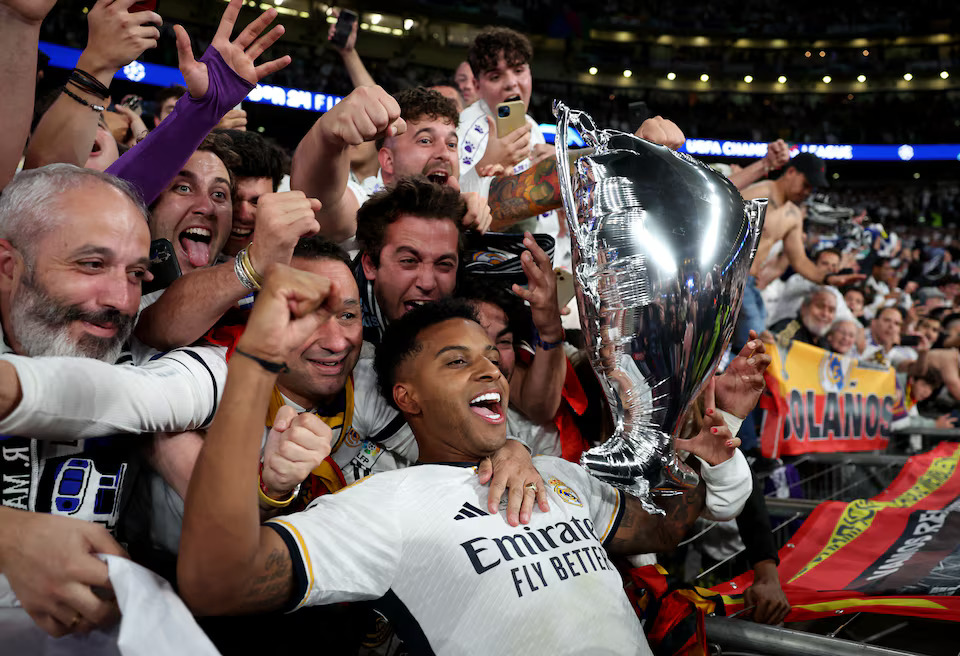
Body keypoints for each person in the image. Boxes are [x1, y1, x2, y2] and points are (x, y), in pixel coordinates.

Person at [178, 281, 750, 654]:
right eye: (457, 362)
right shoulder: (385, 505)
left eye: (490, 358)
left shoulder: (557, 475)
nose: (491, 373)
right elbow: (219, 584)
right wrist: (254, 366)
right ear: (407, 397)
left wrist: (697, 456)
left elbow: (666, 527)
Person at [0, 165, 226, 638]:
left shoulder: (145, 355)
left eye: (136, 273)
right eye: (91, 265)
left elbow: (205, 384)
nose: (122, 300)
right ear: (7, 266)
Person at [735, 152, 862, 351]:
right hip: (731, 280)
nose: (807, 191)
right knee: (754, 345)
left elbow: (800, 261)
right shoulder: (758, 193)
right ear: (791, 172)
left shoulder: (793, 215)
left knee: (756, 344)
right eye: (806, 183)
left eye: (812, 187)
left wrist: (828, 279)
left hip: (750, 286)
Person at [765, 248, 856, 329]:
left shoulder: (835, 293)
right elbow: (807, 288)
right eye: (825, 263)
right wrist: (825, 280)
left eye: (834, 266)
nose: (830, 269)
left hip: (808, 339)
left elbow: (847, 317)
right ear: (814, 264)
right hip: (781, 329)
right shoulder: (798, 279)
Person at [768, 286, 838, 350]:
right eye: (819, 306)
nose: (825, 314)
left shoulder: (825, 342)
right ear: (804, 307)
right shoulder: (788, 329)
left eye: (831, 310)